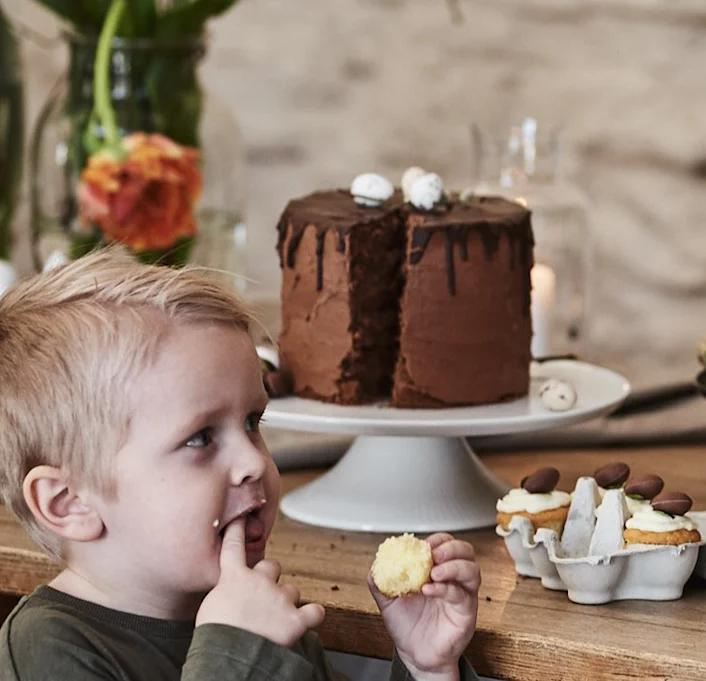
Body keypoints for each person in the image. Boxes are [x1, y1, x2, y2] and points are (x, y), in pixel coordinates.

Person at [0, 250, 482, 681]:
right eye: (201, 438)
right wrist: (237, 654)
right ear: (69, 503)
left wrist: (426, 667)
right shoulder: (45, 650)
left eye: (253, 421)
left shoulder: (259, 614)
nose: (254, 460)